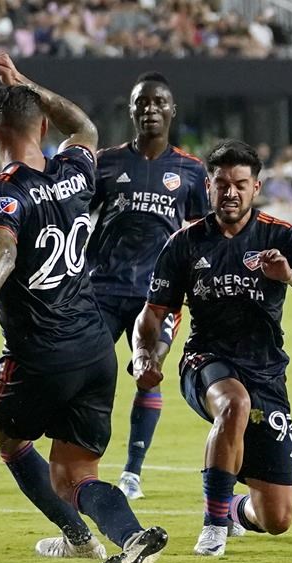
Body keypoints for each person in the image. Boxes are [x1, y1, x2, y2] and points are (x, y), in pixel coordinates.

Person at [0, 52, 168, 563]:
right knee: (76, 473)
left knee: (3, 430)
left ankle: (77, 536)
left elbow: (3, 253)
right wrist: (27, 83)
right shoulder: (75, 171)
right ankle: (131, 538)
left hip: (42, 354)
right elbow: (84, 125)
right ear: (42, 124)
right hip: (95, 349)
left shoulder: (5, 190)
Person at [132, 140, 292, 557]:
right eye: (221, 184)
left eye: (240, 184)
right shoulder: (185, 243)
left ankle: (233, 510)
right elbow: (152, 315)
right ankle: (212, 526)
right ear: (208, 187)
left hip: (266, 371)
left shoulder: (282, 237)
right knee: (234, 404)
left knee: (277, 518)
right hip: (205, 361)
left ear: (256, 186)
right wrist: (143, 356)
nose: (230, 193)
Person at [88, 71, 210, 499]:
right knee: (88, 375)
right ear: (132, 110)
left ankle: (132, 474)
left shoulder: (192, 171)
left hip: (158, 294)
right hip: (101, 289)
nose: (151, 110)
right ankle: (84, 464)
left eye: (159, 102)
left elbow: (200, 236)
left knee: (149, 374)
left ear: (172, 110)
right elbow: (77, 218)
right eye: (142, 103)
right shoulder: (105, 163)